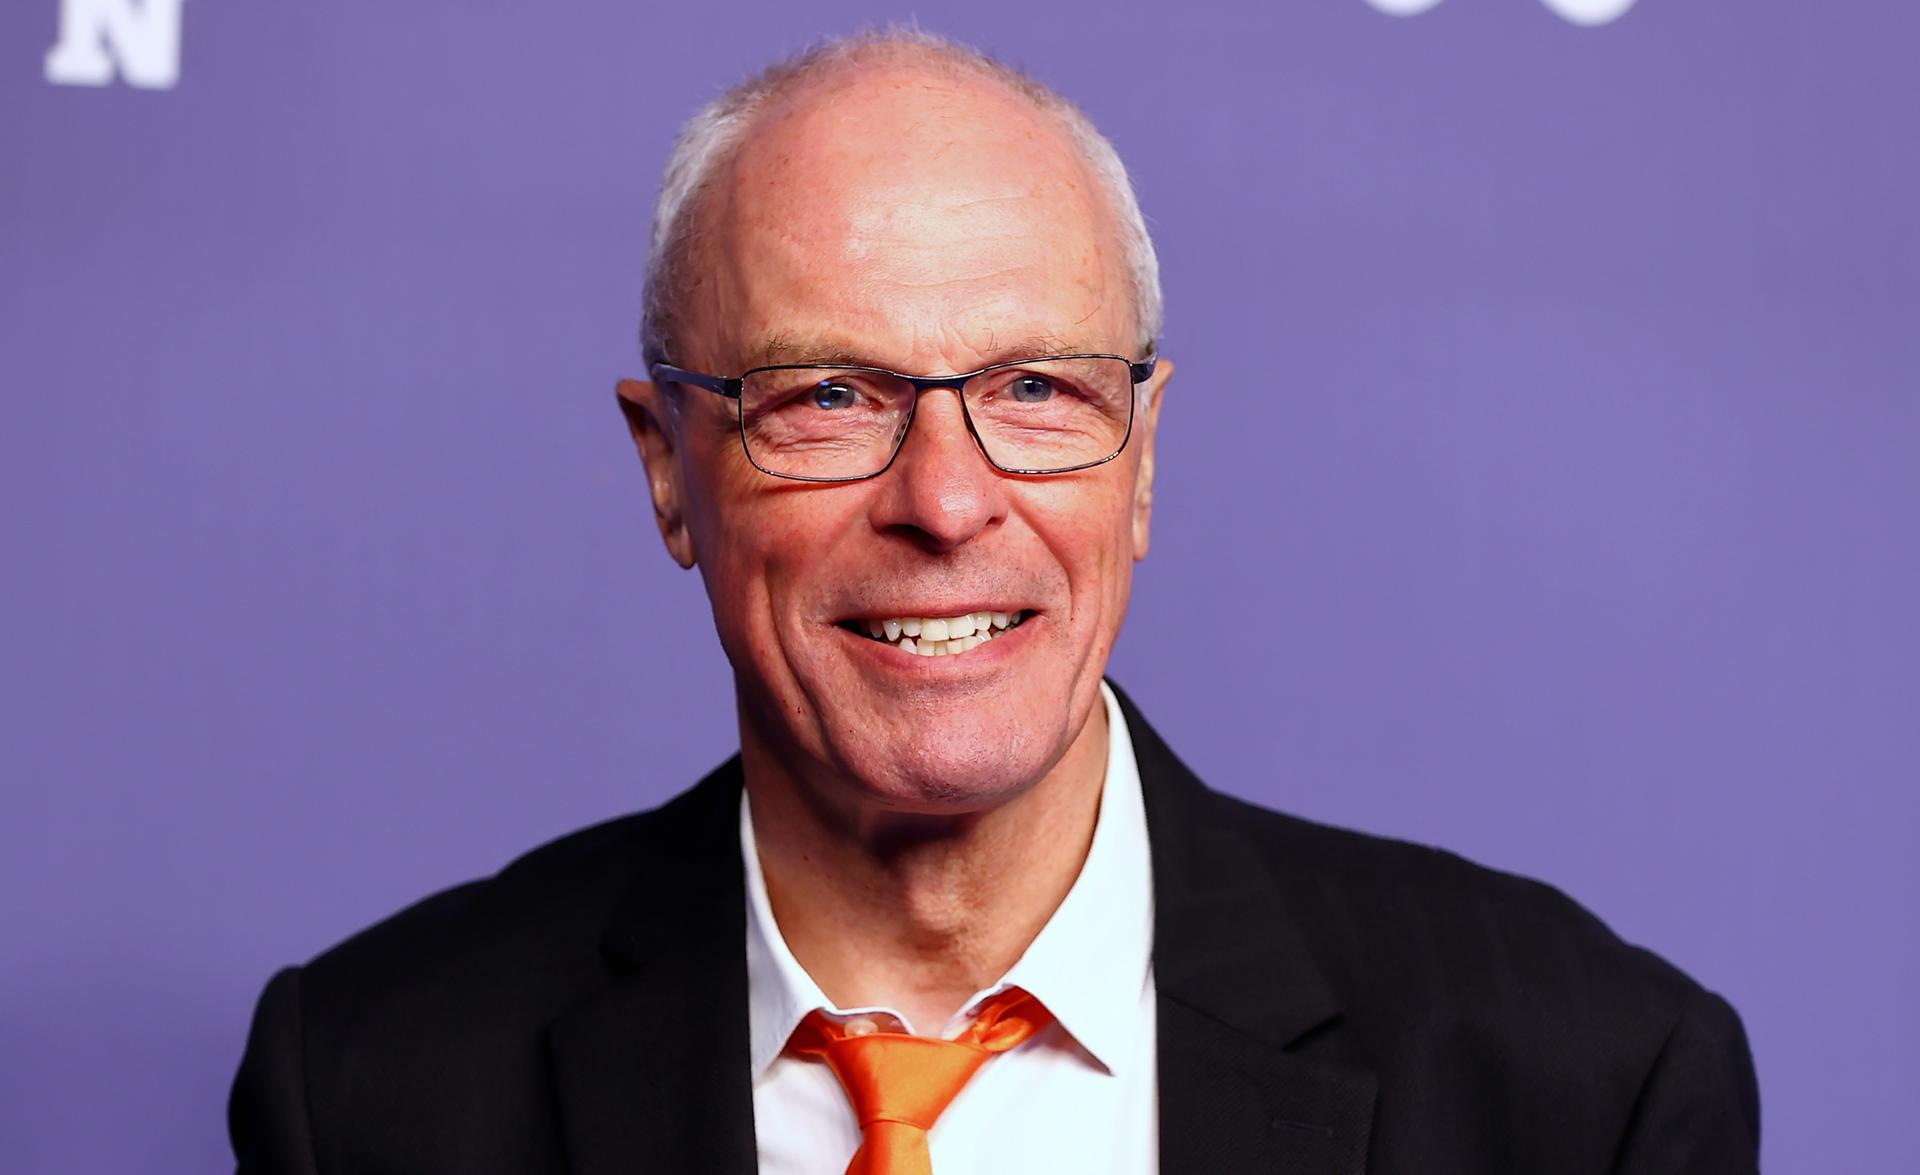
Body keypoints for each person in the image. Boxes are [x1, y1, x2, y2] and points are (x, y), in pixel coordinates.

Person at [229, 28, 1761, 1175]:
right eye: (827, 395)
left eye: (1036, 389)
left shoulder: (1580, 1086)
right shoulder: (373, 1091)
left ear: (1143, 460)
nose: (948, 502)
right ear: (667, 471)